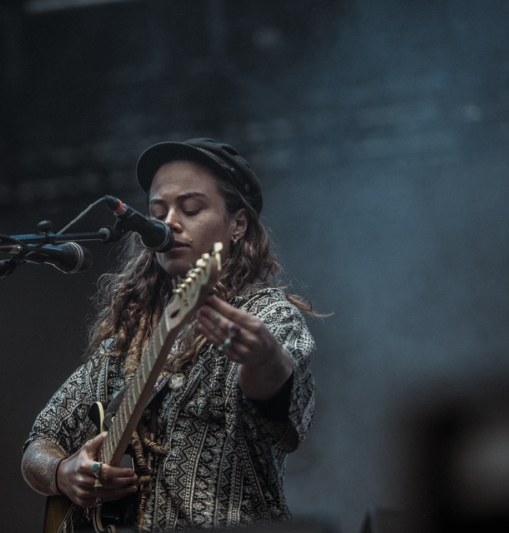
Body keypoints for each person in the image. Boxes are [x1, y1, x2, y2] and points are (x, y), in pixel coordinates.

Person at [21, 138, 317, 531]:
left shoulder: (267, 315)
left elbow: (282, 401)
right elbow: (38, 443)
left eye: (190, 209)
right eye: (157, 212)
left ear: (238, 224)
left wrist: (264, 359)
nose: (169, 222)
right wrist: (63, 473)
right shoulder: (126, 342)